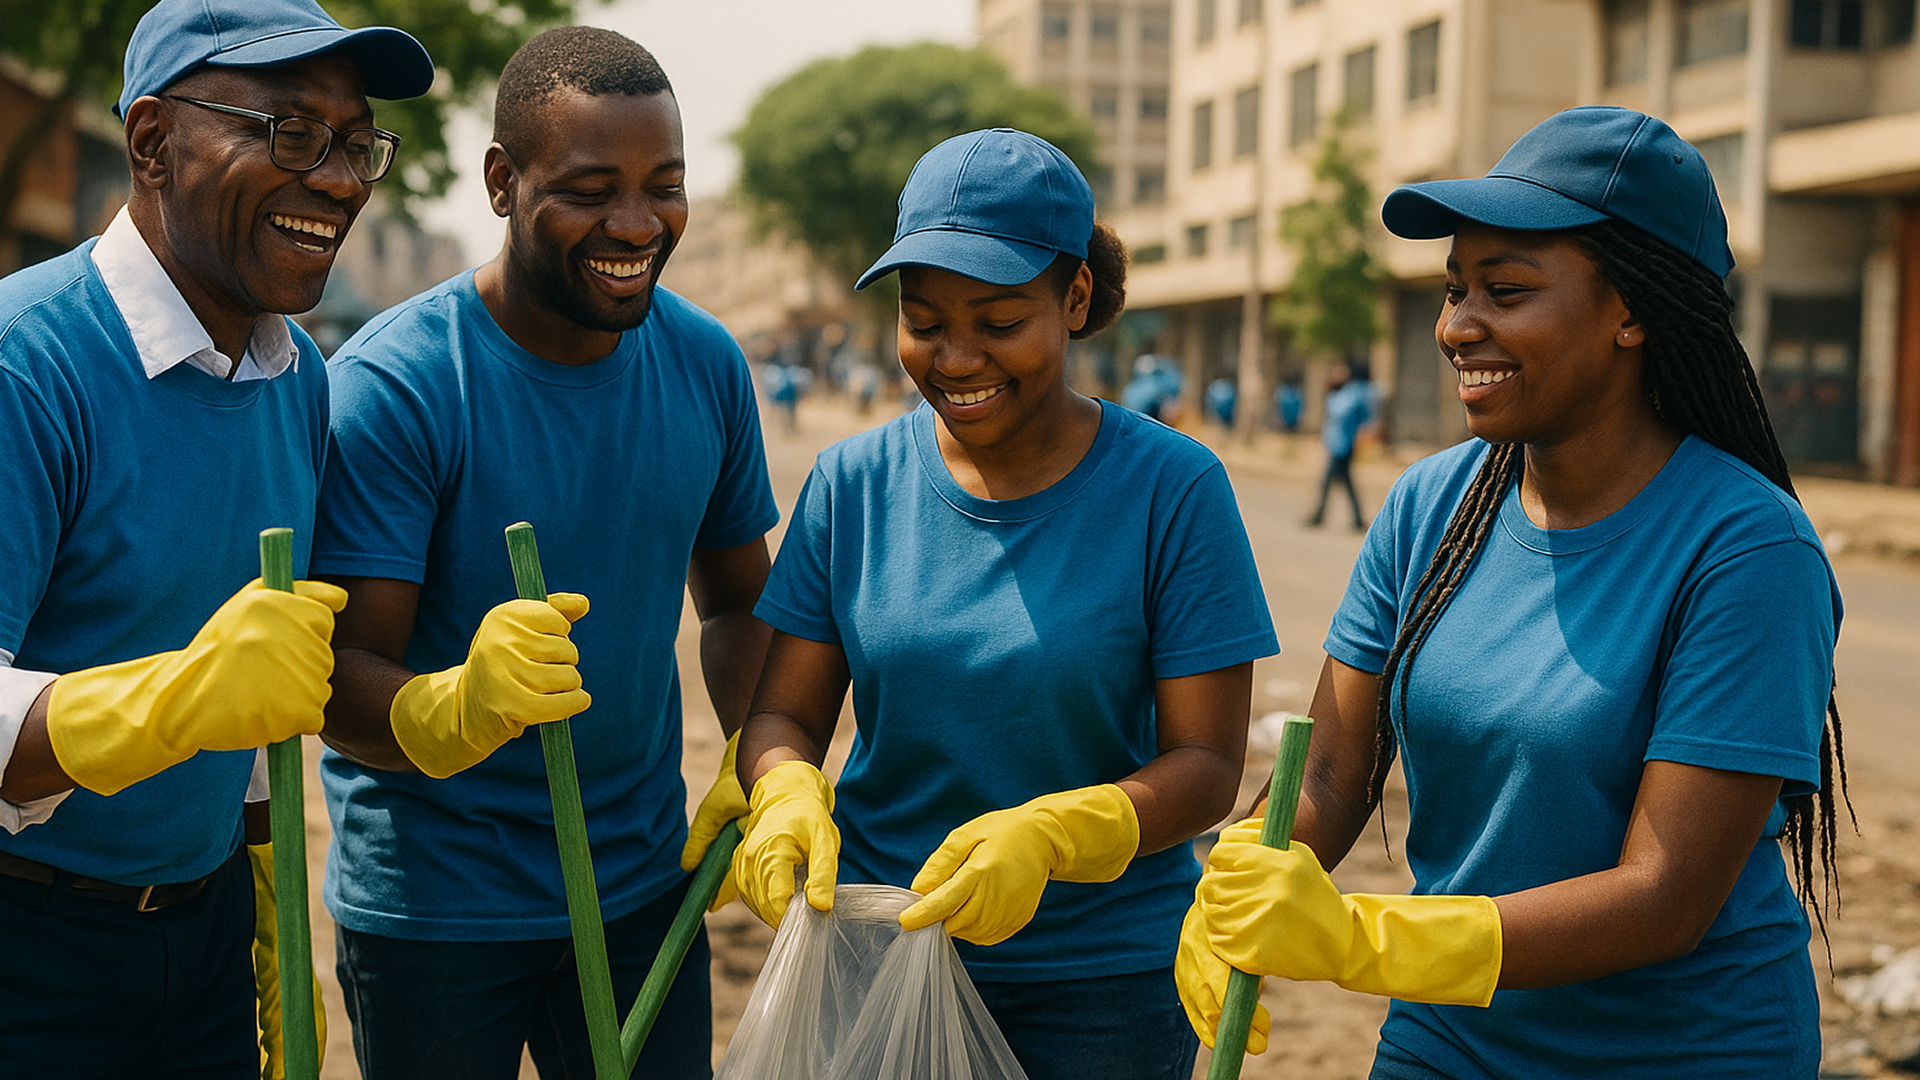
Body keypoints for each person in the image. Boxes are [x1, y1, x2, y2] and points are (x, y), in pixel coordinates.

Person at [1176, 106, 1848, 1078]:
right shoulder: (1429, 509)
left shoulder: (1747, 549)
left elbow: (1665, 894)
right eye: (1455, 290)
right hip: (1450, 1038)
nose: (1457, 326)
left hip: (1682, 1054)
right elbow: (1328, 775)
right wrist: (1241, 873)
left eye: (1506, 290)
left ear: (1634, 311)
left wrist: (1368, 941)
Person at [728, 128, 1278, 1080]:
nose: (955, 357)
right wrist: (779, 787)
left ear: (1073, 300)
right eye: (925, 319)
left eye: (997, 320)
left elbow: (1206, 765)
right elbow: (785, 711)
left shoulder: (1172, 488)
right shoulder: (852, 482)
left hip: (1101, 981)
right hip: (882, 942)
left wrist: (1059, 835)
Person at [309, 27, 777, 1080]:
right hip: (436, 905)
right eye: (589, 187)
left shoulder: (703, 362)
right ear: (501, 182)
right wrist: (456, 704)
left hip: (641, 888)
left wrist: (764, 758)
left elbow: (742, 604)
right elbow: (337, 679)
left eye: (665, 185)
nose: (636, 223)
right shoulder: (400, 386)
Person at [0, 1, 432, 1076]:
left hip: (204, 932)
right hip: (32, 946)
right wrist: (169, 699)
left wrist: (263, 899)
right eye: (289, 132)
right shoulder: (26, 365)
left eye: (354, 141)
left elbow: (260, 690)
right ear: (152, 142)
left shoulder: (296, 379)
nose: (338, 178)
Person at [1304, 361, 1374, 529]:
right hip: (1335, 444)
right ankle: (1357, 519)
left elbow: (1346, 414)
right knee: (1346, 484)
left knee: (1327, 483)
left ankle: (1319, 516)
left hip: (1343, 447)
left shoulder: (1351, 396)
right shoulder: (1337, 394)